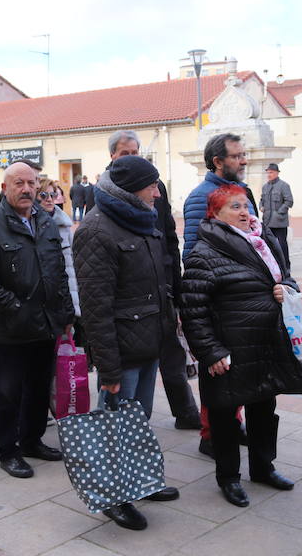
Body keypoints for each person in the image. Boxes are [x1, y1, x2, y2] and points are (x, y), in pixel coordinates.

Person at [73, 156, 182, 530]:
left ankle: (139, 483)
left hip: (148, 343)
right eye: (151, 185)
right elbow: (95, 307)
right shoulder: (96, 230)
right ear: (132, 188)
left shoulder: (143, 220)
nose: (157, 192)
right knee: (114, 428)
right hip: (121, 351)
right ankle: (115, 499)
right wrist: (109, 368)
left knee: (139, 422)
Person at [181, 184, 302, 508]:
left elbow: (287, 277)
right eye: (234, 207)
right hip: (229, 352)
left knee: (264, 411)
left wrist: (285, 289)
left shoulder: (264, 243)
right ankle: (229, 478)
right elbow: (192, 310)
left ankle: (263, 468)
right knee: (224, 419)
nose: (245, 212)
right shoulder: (204, 254)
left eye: (246, 205)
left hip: (265, 344)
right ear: (215, 215)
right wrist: (210, 352)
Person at [0, 162, 74, 479]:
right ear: (5, 188)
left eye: (31, 183)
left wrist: (65, 313)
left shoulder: (45, 221)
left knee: (39, 389)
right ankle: (8, 451)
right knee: (7, 393)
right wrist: (13, 305)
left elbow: (58, 272)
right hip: (9, 329)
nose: (27, 189)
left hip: (46, 324)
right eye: (19, 183)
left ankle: (31, 440)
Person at [108, 130, 201, 430]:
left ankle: (185, 411)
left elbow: (169, 236)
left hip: (161, 278)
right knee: (134, 365)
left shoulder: (155, 186)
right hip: (131, 289)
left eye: (136, 152)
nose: (132, 157)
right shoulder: (107, 187)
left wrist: (175, 280)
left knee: (171, 348)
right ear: (113, 156)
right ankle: (121, 426)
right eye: (126, 153)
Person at [182, 133, 257, 457]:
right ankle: (210, 435)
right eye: (237, 156)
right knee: (218, 370)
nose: (243, 161)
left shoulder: (241, 192)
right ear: (217, 161)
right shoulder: (201, 197)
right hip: (218, 300)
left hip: (243, 297)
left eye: (243, 155)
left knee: (238, 369)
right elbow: (193, 251)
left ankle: (232, 424)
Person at [38, 178, 80, 322]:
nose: (50, 199)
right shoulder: (32, 224)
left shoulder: (65, 225)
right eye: (44, 195)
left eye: (53, 195)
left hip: (69, 291)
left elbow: (75, 259)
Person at [259, 163, 294, 270]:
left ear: (277, 173)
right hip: (267, 221)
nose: (269, 175)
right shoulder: (265, 187)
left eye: (271, 172)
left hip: (279, 221)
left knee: (282, 244)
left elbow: (289, 201)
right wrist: (261, 206)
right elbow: (262, 200)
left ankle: (286, 265)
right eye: (268, 173)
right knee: (269, 244)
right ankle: (274, 264)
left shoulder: (284, 186)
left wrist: (280, 212)